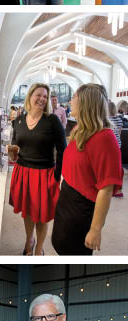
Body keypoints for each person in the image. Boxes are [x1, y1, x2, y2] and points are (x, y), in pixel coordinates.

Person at [52, 84, 123, 255]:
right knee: (60, 246)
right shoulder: (80, 130)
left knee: (73, 252)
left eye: (74, 97)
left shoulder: (105, 138)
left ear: (85, 102)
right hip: (67, 200)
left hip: (81, 208)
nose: (70, 101)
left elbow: (106, 189)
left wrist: (95, 229)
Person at [7, 82, 66, 255]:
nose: (42, 99)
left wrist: (57, 175)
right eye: (38, 95)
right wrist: (12, 154)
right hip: (23, 172)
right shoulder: (18, 121)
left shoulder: (52, 120)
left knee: (42, 215)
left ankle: (39, 249)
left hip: (45, 173)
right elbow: (16, 148)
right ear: (30, 96)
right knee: (27, 213)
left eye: (45, 96)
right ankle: (29, 240)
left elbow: (63, 149)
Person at [107, 100, 125, 198]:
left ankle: (113, 189)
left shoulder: (107, 120)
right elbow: (119, 133)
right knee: (118, 167)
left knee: (111, 169)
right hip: (118, 145)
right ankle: (119, 189)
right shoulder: (119, 120)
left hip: (111, 147)